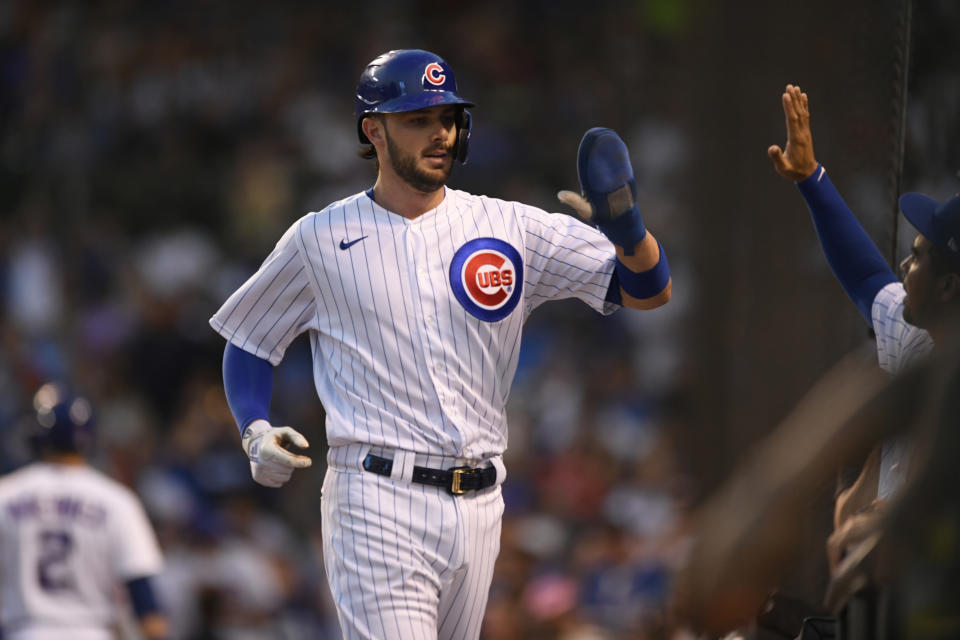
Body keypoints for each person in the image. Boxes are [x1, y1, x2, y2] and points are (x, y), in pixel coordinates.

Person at [209, 48, 672, 640]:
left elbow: (647, 289)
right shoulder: (319, 239)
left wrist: (628, 229)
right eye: (418, 119)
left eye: (447, 118)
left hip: (481, 502)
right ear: (372, 130)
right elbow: (249, 336)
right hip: (376, 495)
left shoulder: (510, 226)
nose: (440, 133)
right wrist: (253, 427)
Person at [767, 84, 960, 579]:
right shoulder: (920, 333)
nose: (904, 264)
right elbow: (866, 276)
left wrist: (889, 520)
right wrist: (811, 178)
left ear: (948, 286)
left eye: (918, 256)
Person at [0, 382, 168, 640]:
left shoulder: (7, 494)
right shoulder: (117, 501)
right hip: (93, 632)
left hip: (25, 631)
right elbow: (147, 610)